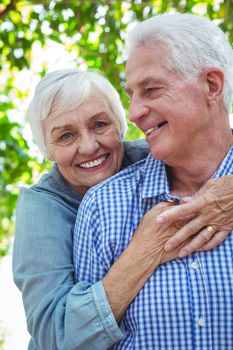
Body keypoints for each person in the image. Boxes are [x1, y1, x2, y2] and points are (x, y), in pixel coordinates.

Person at [73, 13, 233, 349]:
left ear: (212, 85)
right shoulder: (103, 209)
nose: (133, 113)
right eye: (131, 94)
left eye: (152, 89)